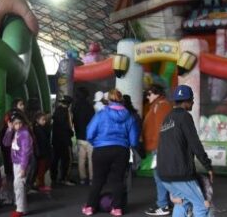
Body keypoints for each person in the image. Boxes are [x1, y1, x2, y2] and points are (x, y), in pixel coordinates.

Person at [157, 85, 213, 217]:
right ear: (186, 101)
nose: (193, 102)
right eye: (192, 100)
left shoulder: (167, 118)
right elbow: (195, 144)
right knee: (201, 206)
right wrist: (207, 165)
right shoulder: (185, 117)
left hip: (164, 173)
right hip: (180, 173)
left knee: (182, 203)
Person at [82, 89, 139, 217]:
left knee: (98, 179)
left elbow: (90, 132)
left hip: (101, 149)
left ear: (108, 100)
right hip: (121, 150)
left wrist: (96, 143)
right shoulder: (129, 116)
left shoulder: (101, 114)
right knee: (117, 180)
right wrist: (127, 144)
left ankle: (90, 207)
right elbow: (134, 140)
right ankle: (117, 209)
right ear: (121, 100)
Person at [143, 85, 174, 216]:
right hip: (160, 147)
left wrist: (158, 146)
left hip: (160, 147)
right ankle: (169, 203)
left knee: (160, 177)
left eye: (149, 94)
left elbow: (163, 129)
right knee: (163, 176)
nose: (147, 96)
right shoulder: (160, 105)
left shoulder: (161, 105)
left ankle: (164, 205)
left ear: (156, 93)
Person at [3, 112, 34, 217]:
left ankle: (20, 209)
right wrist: (9, 129)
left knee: (18, 184)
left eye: (20, 123)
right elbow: (6, 143)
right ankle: (23, 208)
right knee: (19, 185)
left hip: (22, 163)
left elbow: (26, 152)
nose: (18, 125)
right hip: (16, 163)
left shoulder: (24, 134)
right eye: (15, 123)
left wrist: (23, 167)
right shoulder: (16, 132)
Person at [72, 88, 95, 186]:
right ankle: (91, 179)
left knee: (81, 159)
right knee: (91, 159)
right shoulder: (89, 107)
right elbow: (93, 123)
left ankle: (82, 178)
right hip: (89, 137)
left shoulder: (75, 107)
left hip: (79, 136)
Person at [51, 95, 74, 186]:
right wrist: (71, 133)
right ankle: (64, 178)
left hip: (56, 139)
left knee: (55, 159)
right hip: (65, 140)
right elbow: (67, 127)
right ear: (69, 104)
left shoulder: (56, 111)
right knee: (67, 160)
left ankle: (54, 178)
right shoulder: (66, 113)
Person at [33, 112, 52, 192]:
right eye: (43, 120)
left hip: (43, 151)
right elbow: (43, 140)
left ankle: (39, 183)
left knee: (43, 167)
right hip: (41, 152)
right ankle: (41, 185)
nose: (44, 121)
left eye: (45, 120)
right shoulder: (38, 129)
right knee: (42, 168)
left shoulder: (40, 128)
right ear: (37, 120)